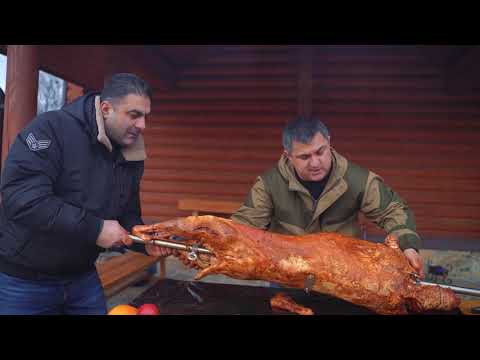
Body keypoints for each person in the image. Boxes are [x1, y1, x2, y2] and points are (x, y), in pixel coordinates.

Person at [0, 73, 169, 315]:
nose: (143, 125)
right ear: (106, 108)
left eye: (145, 117)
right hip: (25, 281)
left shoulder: (131, 152)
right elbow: (23, 199)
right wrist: (96, 229)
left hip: (82, 278)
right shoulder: (50, 129)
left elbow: (127, 214)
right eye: (134, 115)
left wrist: (146, 243)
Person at [231, 116, 424, 279]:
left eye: (320, 152)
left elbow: (393, 210)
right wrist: (220, 243)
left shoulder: (357, 179)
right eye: (304, 157)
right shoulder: (268, 185)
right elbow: (243, 227)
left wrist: (408, 246)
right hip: (289, 276)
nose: (315, 163)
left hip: (346, 275)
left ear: (329, 142)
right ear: (288, 155)